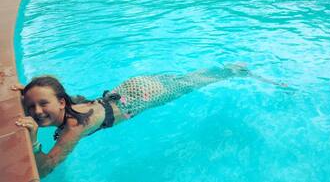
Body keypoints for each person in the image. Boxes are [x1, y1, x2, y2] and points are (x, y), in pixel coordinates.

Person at [12, 63, 285, 178]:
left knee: (192, 84)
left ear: (61, 102)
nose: (36, 111)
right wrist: (25, 94)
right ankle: (227, 69)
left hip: (140, 96)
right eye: (30, 106)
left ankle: (238, 71)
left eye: (42, 104)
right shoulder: (68, 103)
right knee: (186, 80)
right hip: (128, 88)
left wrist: (35, 141)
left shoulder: (74, 125)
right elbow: (48, 100)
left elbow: (46, 169)